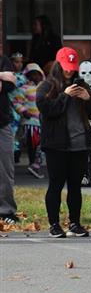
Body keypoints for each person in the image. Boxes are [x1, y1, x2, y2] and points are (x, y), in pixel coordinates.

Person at [36, 47, 91, 238]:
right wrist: (65, 95)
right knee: (55, 185)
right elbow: (47, 109)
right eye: (66, 67)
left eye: (72, 67)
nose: (69, 70)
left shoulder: (81, 85)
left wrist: (89, 99)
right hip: (57, 145)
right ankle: (54, 224)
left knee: (75, 186)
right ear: (58, 64)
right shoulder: (47, 86)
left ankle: (75, 223)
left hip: (79, 144)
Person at [15, 63, 45, 179]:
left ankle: (34, 165)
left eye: (37, 74)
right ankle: (34, 166)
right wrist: (23, 111)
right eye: (32, 75)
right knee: (34, 146)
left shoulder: (43, 87)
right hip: (30, 123)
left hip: (40, 123)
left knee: (38, 146)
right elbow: (16, 102)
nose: (35, 77)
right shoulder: (23, 89)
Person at [0, 68, 19, 225]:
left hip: (2, 124)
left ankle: (6, 211)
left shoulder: (4, 61)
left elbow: (10, 85)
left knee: (6, 169)